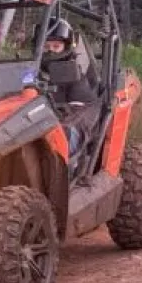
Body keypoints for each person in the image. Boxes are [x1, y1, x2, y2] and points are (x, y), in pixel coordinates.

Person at [39, 18, 101, 175]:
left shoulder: (74, 76)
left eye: (56, 46)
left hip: (69, 129)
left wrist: (55, 122)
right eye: (46, 46)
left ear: (66, 47)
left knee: (61, 134)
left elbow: (81, 116)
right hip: (33, 127)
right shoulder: (29, 73)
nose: (50, 51)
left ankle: (63, 175)